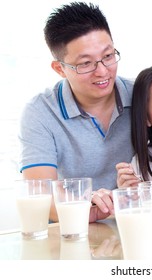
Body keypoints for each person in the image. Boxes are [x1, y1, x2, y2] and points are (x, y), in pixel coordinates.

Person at [18, 2, 134, 223]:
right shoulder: (40, 112)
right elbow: (39, 196)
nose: (102, 71)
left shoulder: (141, 94)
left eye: (108, 56)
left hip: (133, 225)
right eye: (85, 64)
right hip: (71, 230)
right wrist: (86, 205)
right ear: (59, 69)